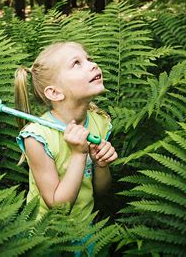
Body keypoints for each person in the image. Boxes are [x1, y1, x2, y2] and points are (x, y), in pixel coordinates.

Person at [14, 41, 118, 253]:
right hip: (47, 237)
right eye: (76, 64)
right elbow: (58, 207)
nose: (93, 65)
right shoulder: (37, 137)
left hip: (86, 230)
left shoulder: (99, 122)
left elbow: (102, 191)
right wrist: (79, 155)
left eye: (88, 59)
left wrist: (102, 165)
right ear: (55, 93)